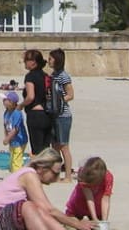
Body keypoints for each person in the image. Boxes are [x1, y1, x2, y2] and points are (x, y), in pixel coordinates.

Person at [0, 147, 96, 230]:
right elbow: (49, 209)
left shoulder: (31, 176)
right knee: (27, 207)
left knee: (36, 209)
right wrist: (77, 224)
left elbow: (43, 212)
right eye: (55, 172)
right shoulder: (29, 175)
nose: (57, 177)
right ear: (42, 168)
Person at [19, 49, 54, 155]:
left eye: (26, 60)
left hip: (35, 115)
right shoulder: (46, 76)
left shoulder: (30, 76)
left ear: (33, 62)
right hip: (47, 114)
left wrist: (20, 106)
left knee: (37, 150)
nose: (24, 62)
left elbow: (30, 96)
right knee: (45, 149)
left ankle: (38, 171)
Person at [48, 48, 75, 182]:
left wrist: (58, 100)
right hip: (54, 115)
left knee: (64, 146)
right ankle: (57, 175)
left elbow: (70, 95)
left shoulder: (64, 76)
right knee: (55, 146)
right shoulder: (53, 75)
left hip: (63, 115)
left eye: (51, 58)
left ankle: (68, 176)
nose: (49, 61)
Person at [65, 157, 113, 224]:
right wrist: (94, 218)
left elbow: (105, 199)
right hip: (80, 202)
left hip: (97, 206)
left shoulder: (108, 177)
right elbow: (89, 197)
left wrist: (104, 221)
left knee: (99, 224)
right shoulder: (83, 174)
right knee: (72, 223)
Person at [1, 91, 28, 172]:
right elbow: (6, 125)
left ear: (11, 102)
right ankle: (14, 172)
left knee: (16, 160)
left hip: (20, 141)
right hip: (12, 140)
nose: (3, 101)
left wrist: (7, 139)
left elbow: (16, 129)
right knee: (12, 158)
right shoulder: (6, 112)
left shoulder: (17, 113)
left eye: (5, 100)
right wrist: (6, 136)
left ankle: (17, 176)